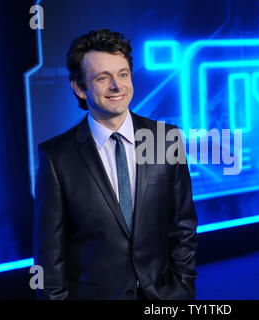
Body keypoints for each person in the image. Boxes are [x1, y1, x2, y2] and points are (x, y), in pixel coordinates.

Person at [33, 29, 198, 300]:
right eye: (102, 77)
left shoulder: (166, 139)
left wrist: (182, 289)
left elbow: (183, 226)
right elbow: (49, 255)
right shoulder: (56, 157)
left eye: (123, 74)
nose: (117, 86)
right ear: (79, 87)